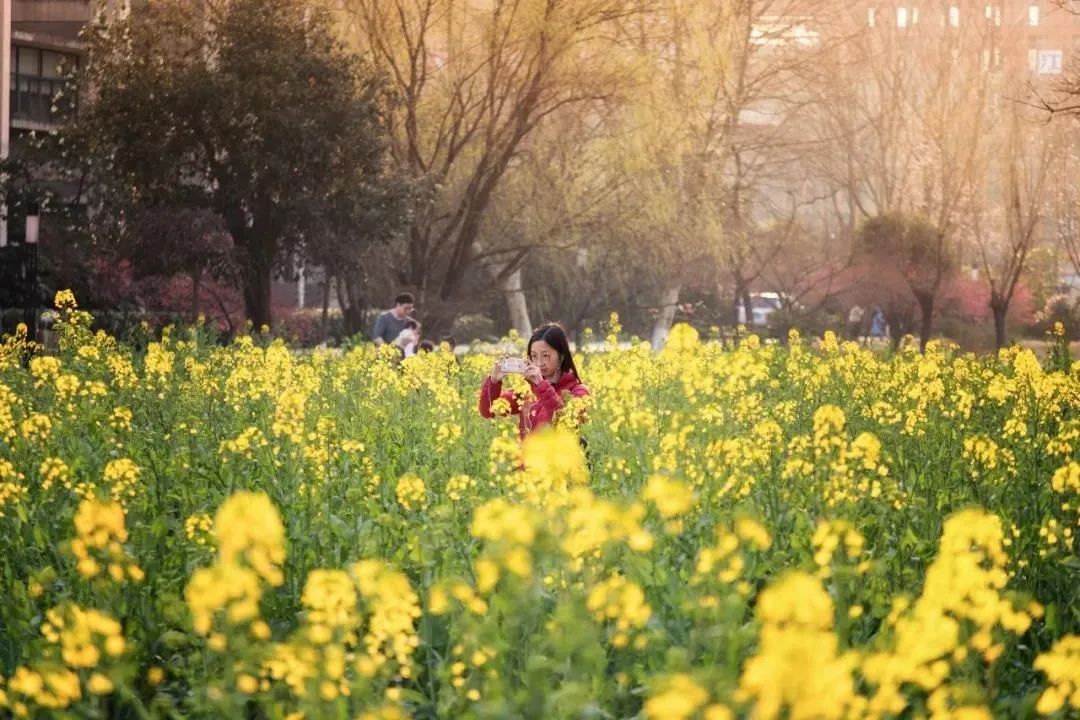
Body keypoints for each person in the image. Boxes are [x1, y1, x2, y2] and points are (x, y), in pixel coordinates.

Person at [478, 323, 589, 440]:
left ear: (561, 356)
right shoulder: (526, 390)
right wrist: (494, 382)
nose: (539, 363)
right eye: (534, 356)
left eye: (545, 356)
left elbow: (564, 423)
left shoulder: (578, 391)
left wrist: (541, 385)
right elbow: (488, 411)